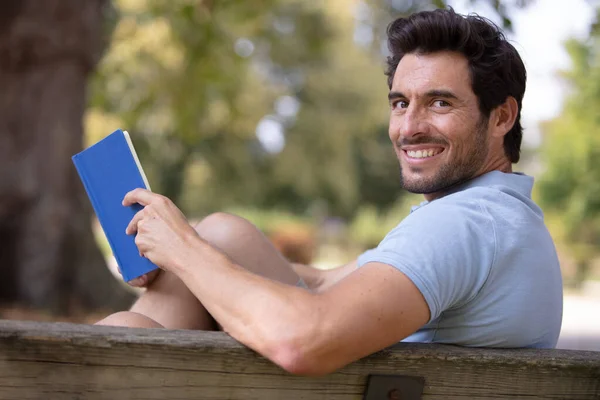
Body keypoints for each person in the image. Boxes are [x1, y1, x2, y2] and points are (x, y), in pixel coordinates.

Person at [96, 8, 563, 376]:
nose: (409, 127)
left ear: (501, 117)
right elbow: (324, 282)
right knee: (222, 234)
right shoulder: (501, 218)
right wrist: (187, 251)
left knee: (125, 337)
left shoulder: (465, 225)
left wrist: (186, 252)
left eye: (440, 102)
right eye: (401, 103)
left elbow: (303, 341)